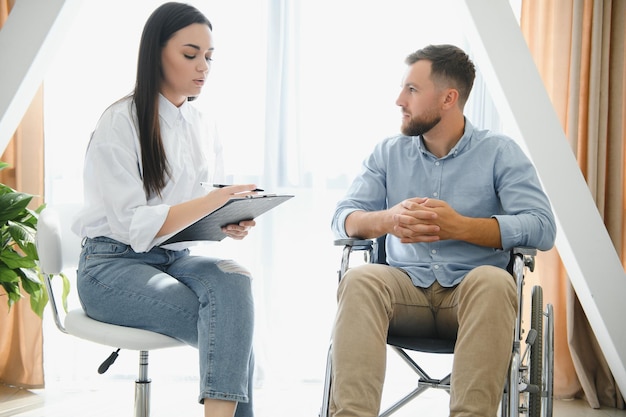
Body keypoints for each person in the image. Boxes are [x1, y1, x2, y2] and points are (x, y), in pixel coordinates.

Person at [329, 44, 556, 417]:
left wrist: (463, 227)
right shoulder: (388, 153)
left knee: (494, 282)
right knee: (360, 280)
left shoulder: (500, 152)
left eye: (412, 90)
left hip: (471, 296)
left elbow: (543, 228)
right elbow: (343, 218)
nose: (399, 99)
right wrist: (390, 220)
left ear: (449, 97)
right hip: (404, 293)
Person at [71, 3, 256, 416]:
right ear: (157, 52)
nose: (203, 67)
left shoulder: (202, 124)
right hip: (111, 267)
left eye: (209, 57)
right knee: (230, 328)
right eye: (190, 55)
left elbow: (195, 212)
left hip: (173, 258)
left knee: (235, 282)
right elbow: (135, 226)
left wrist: (227, 219)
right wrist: (211, 202)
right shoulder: (120, 122)